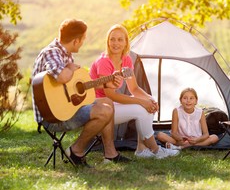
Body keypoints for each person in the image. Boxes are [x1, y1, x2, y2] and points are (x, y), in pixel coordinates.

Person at [32, 18, 130, 167]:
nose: (83, 42)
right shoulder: (52, 53)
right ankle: (76, 151)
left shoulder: (65, 54)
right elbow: (63, 76)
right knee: (104, 111)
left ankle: (110, 154)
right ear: (76, 41)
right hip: (53, 116)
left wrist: (106, 84)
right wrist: (70, 68)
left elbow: (74, 88)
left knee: (107, 102)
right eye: (83, 39)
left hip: (65, 107)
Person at [89, 24, 179, 159]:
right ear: (107, 41)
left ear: (126, 42)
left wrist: (150, 100)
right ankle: (155, 150)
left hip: (112, 105)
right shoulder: (104, 62)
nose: (115, 43)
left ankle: (141, 149)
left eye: (120, 40)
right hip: (100, 108)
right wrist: (141, 102)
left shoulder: (126, 60)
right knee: (141, 108)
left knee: (148, 102)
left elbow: (134, 88)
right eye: (112, 39)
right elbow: (111, 94)